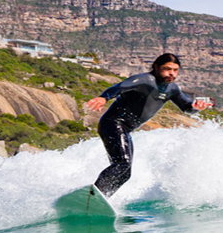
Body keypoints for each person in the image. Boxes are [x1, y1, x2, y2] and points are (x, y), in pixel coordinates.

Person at [85, 53, 212, 197]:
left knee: (125, 173)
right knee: (122, 165)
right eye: (167, 69)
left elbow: (186, 107)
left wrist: (196, 107)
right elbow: (119, 87)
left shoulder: (172, 89)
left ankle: (100, 198)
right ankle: (92, 195)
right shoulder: (143, 80)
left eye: (175, 70)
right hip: (113, 123)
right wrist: (104, 97)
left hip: (125, 129)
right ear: (156, 67)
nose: (171, 73)